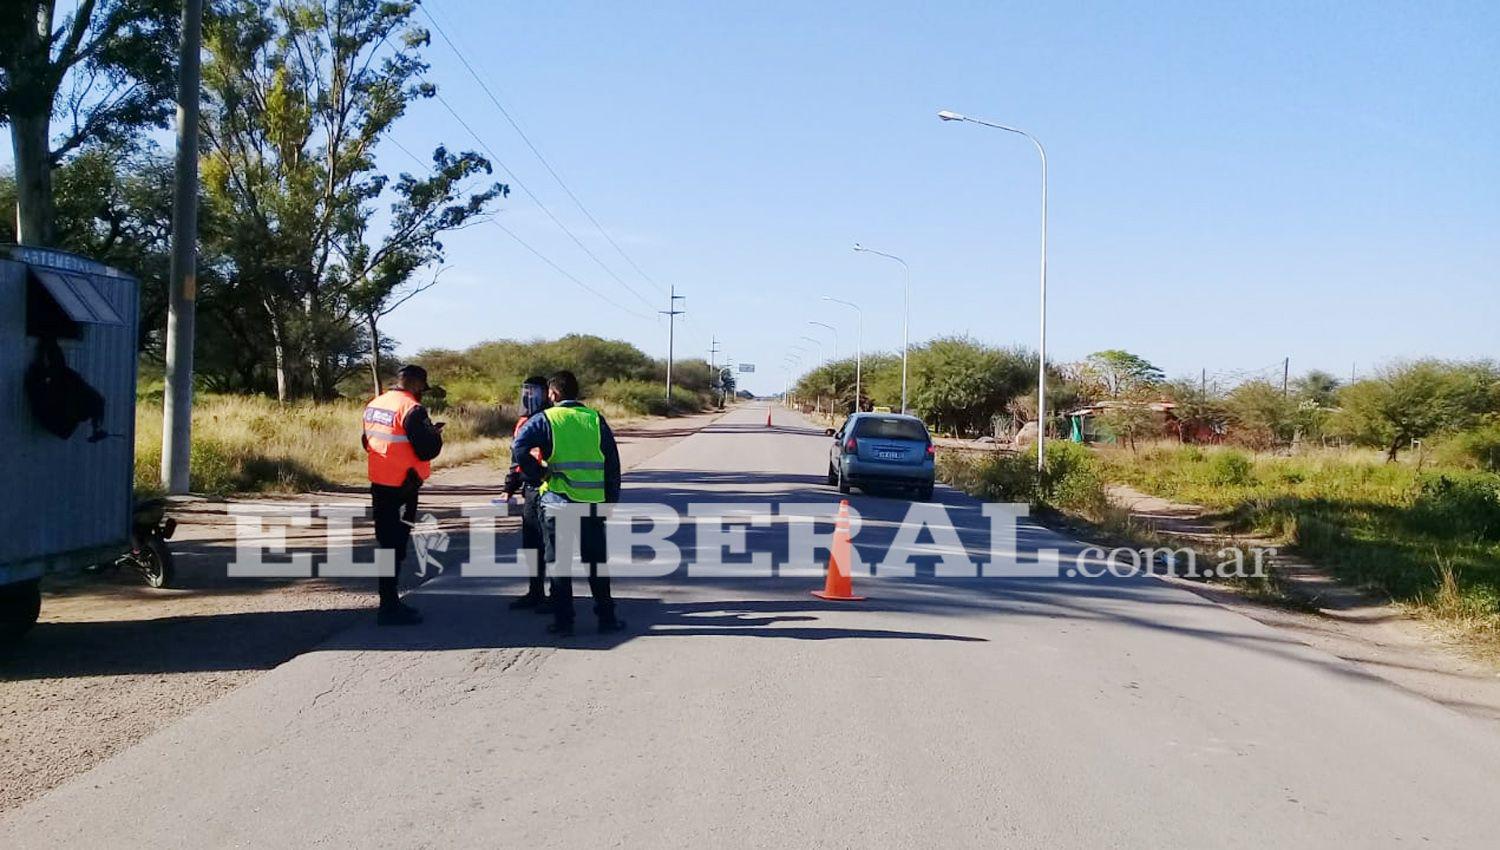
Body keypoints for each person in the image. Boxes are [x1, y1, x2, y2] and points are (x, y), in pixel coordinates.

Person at [511, 370, 625, 636]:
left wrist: (537, 473)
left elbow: (518, 448)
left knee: (559, 562)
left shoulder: (545, 419)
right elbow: (612, 465)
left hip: (556, 502)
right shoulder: (595, 420)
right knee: (596, 562)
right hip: (593, 503)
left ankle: (564, 622)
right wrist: (610, 500)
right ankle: (606, 619)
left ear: (554, 394)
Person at [362, 365, 444, 626]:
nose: (422, 392)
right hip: (402, 487)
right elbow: (427, 450)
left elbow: (366, 441)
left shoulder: (376, 403)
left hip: (380, 483)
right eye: (422, 386)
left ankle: (390, 601)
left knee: (386, 543)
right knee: (394, 547)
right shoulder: (412, 408)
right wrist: (435, 435)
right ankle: (388, 607)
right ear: (415, 383)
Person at [503, 376, 551, 611]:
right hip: (530, 487)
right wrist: (509, 486)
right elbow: (516, 459)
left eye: (535, 392)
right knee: (532, 543)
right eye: (526, 392)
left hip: (550, 487)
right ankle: (536, 591)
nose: (529, 397)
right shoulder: (523, 421)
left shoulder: (551, 418)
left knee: (551, 543)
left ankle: (557, 594)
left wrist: (541, 474)